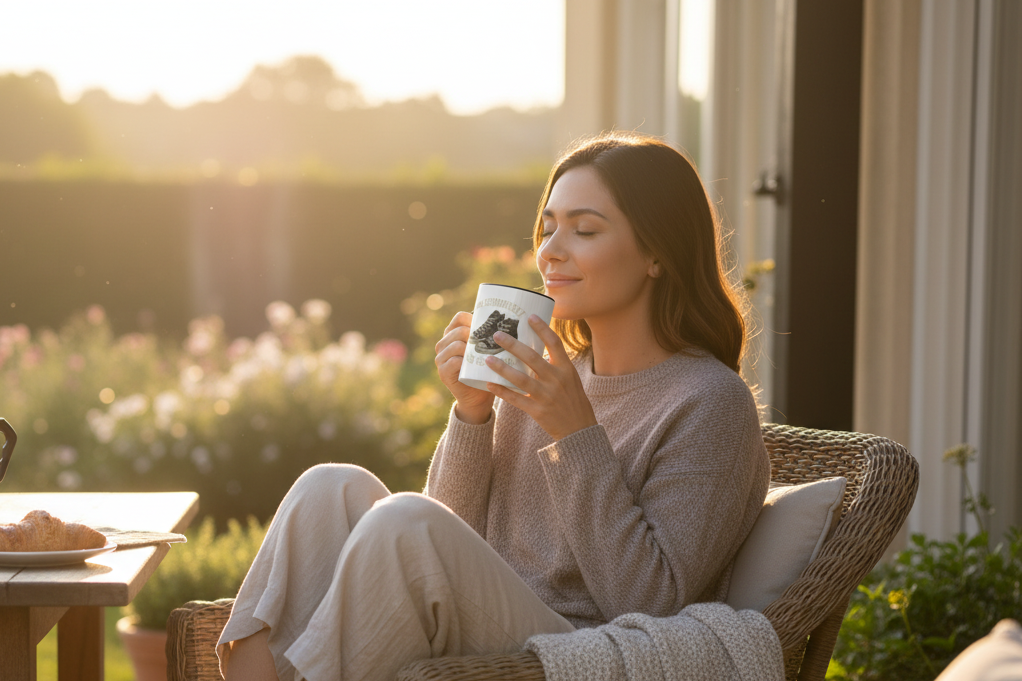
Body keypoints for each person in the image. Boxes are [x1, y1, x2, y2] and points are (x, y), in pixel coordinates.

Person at [217, 132, 770, 681]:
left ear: (657, 253)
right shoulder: (549, 373)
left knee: (404, 521)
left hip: (572, 648)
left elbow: (651, 603)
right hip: (486, 615)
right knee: (329, 487)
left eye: (585, 230)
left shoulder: (709, 401)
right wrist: (472, 414)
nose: (551, 249)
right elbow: (457, 532)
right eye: (548, 227)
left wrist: (575, 433)